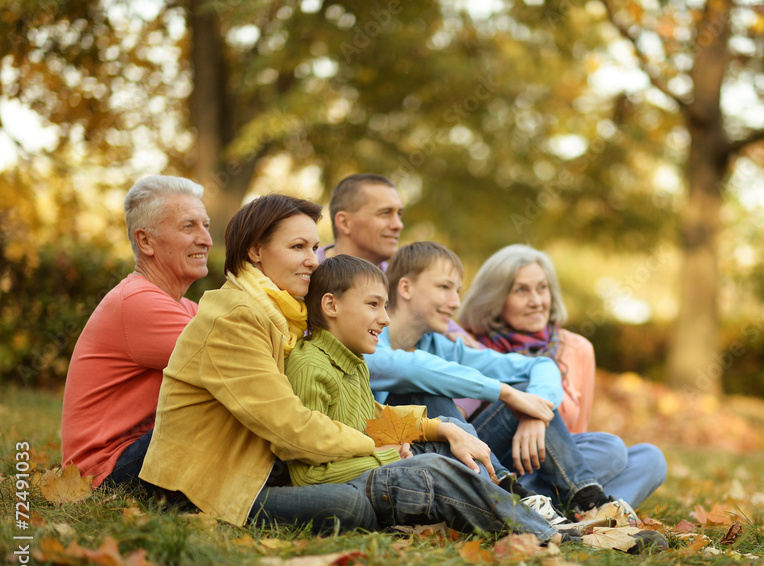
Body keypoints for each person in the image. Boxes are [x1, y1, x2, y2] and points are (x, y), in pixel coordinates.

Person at [138, 194, 561, 542]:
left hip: (262, 470)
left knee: (435, 448)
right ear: (255, 251)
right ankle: (530, 529)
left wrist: (438, 427)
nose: (313, 260)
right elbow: (291, 428)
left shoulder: (286, 315)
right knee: (355, 504)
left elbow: (362, 415)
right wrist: (376, 449)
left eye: (314, 248)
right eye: (297, 247)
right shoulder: (236, 317)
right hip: (207, 487)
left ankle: (529, 521)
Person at [283, 254, 573, 528]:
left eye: (384, 306)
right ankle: (523, 514)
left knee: (451, 435)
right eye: (373, 305)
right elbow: (310, 475)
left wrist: (443, 428)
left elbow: (374, 419)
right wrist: (390, 455)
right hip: (356, 482)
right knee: (436, 449)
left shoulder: (355, 360)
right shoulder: (315, 366)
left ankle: (537, 504)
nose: (384, 319)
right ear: (331, 306)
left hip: (379, 462)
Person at [367, 241, 637, 521]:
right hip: (398, 461)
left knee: (531, 395)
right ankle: (513, 495)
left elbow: (540, 364)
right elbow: (412, 369)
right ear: (406, 288)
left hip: (456, 452)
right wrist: (504, 392)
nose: (456, 302)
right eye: (444, 288)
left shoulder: (441, 345)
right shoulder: (369, 339)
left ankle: (589, 502)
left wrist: (535, 414)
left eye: (457, 291)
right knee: (425, 394)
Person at [458, 244, 667, 508]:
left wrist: (537, 420)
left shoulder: (577, 349)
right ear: (495, 298)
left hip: (554, 464)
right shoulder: (468, 345)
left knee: (648, 457)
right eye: (521, 290)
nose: (536, 300)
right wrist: (528, 411)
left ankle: (554, 510)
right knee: (613, 450)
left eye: (542, 288)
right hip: (493, 461)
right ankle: (527, 499)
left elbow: (577, 433)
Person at [61, 175, 211, 491]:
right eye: (189, 227)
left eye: (206, 226)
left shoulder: (183, 306)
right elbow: (239, 364)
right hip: (106, 470)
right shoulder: (138, 301)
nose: (206, 239)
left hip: (139, 451)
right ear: (145, 241)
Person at [317, 173, 403, 266]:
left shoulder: (399, 279)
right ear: (344, 223)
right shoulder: (306, 274)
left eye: (399, 214)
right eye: (385, 213)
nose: (398, 225)